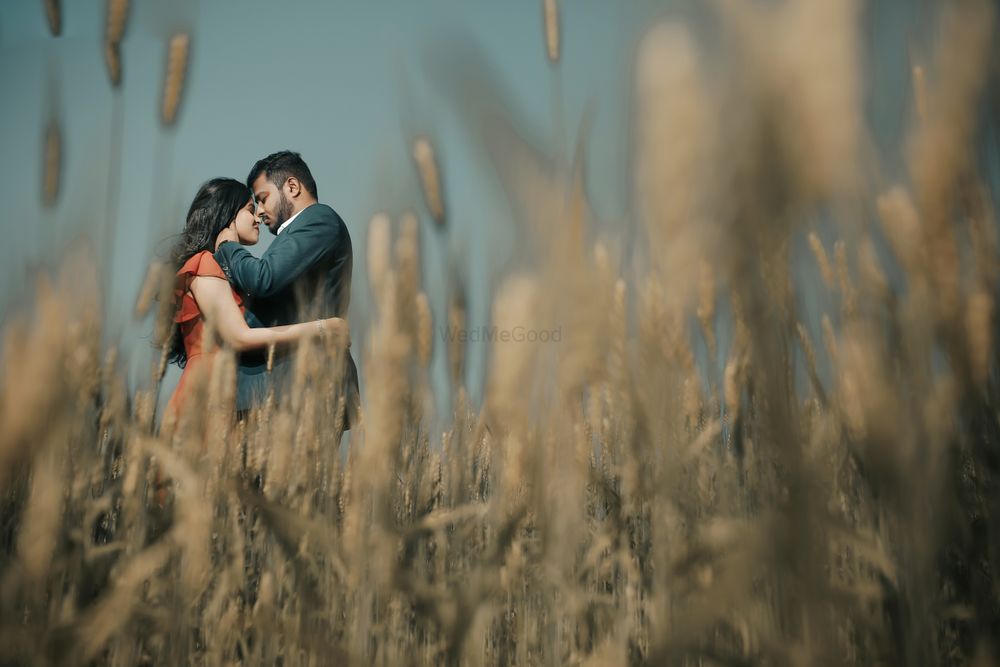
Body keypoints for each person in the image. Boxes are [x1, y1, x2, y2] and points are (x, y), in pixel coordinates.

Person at [165, 177, 349, 420]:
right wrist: (321, 327)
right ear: (226, 214)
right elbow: (239, 336)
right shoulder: (204, 263)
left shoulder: (219, 268)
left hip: (226, 388)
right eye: (250, 209)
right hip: (209, 392)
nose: (257, 218)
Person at [214, 151, 360, 429]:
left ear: (292, 187)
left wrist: (227, 247)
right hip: (286, 390)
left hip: (304, 387)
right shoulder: (297, 233)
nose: (258, 210)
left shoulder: (318, 220)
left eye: (262, 198)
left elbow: (263, 278)